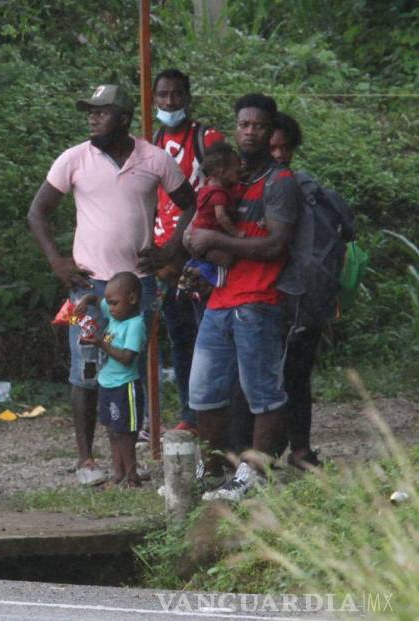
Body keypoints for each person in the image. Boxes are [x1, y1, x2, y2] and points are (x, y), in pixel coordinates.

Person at [27, 83, 197, 485]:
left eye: (101, 112)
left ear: (123, 118)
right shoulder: (74, 159)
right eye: (89, 111)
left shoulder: (153, 159)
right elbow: (38, 212)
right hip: (88, 287)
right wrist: (57, 262)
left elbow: (191, 203)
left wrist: (171, 249)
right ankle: (87, 460)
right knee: (85, 370)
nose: (92, 117)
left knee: (128, 368)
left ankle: (128, 466)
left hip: (139, 285)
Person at [183, 93, 301, 502]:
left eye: (259, 125)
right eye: (244, 124)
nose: (250, 131)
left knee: (263, 393)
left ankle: (254, 473)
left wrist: (213, 238)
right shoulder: (231, 180)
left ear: (271, 132)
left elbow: (276, 246)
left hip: (259, 301)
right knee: (203, 392)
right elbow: (199, 230)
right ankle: (212, 468)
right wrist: (194, 243)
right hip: (219, 299)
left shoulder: (279, 182)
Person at [270, 112, 355, 469]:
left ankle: (270, 451)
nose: (277, 154)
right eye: (272, 147)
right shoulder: (307, 188)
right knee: (295, 374)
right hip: (303, 298)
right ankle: (299, 450)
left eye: (283, 147)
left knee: (280, 374)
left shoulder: (276, 187)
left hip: (283, 296)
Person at [150, 69, 225, 436]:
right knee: (180, 339)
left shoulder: (206, 137)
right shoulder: (153, 140)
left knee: (207, 335)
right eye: (162, 95)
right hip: (164, 259)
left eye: (176, 95)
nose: (169, 102)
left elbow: (221, 185)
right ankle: (190, 415)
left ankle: (217, 413)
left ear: (187, 96)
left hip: (199, 253)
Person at [76, 272, 147, 487]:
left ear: (132, 300)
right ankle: (118, 472)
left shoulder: (134, 324)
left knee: (125, 432)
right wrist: (87, 300)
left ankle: (132, 475)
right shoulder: (116, 312)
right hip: (108, 383)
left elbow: (127, 357)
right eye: (109, 303)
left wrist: (101, 344)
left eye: (114, 303)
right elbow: (99, 301)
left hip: (125, 385)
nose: (110, 308)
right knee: (112, 429)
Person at [182, 142, 243, 289]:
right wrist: (236, 234)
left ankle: (192, 269)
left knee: (203, 258)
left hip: (195, 231)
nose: (240, 171)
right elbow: (221, 217)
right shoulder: (219, 194)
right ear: (222, 172)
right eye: (236, 170)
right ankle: (203, 274)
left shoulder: (206, 187)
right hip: (210, 233)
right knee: (223, 271)